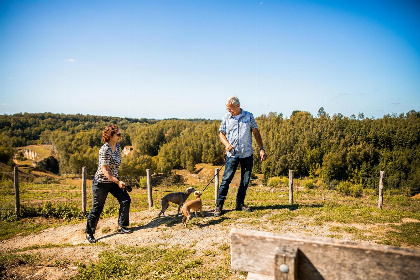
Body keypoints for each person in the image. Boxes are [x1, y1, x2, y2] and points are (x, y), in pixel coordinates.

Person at [215, 96, 267, 217]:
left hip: (247, 153)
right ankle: (219, 206)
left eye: (231, 109)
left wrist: (261, 149)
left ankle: (239, 204)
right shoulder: (226, 118)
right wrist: (227, 144)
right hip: (232, 154)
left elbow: (256, 133)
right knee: (226, 180)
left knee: (245, 180)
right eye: (227, 109)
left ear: (238, 106)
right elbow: (221, 135)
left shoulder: (249, 116)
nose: (229, 111)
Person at [85, 124, 132, 243]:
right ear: (110, 135)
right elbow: (105, 171)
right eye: (118, 134)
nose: (120, 136)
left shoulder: (118, 146)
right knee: (97, 207)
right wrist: (118, 181)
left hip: (113, 181)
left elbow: (115, 166)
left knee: (125, 200)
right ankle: (89, 233)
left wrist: (117, 181)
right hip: (101, 183)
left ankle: (122, 226)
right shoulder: (104, 149)